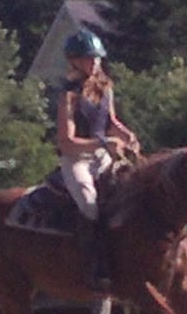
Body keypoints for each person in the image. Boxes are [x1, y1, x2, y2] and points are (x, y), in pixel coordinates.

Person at [56, 27, 140, 292]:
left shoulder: (106, 88)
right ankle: (93, 263)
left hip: (103, 157)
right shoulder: (68, 95)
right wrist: (105, 142)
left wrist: (127, 135)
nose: (94, 63)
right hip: (76, 160)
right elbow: (66, 141)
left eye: (97, 58)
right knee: (89, 205)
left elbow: (110, 121)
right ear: (74, 61)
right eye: (88, 58)